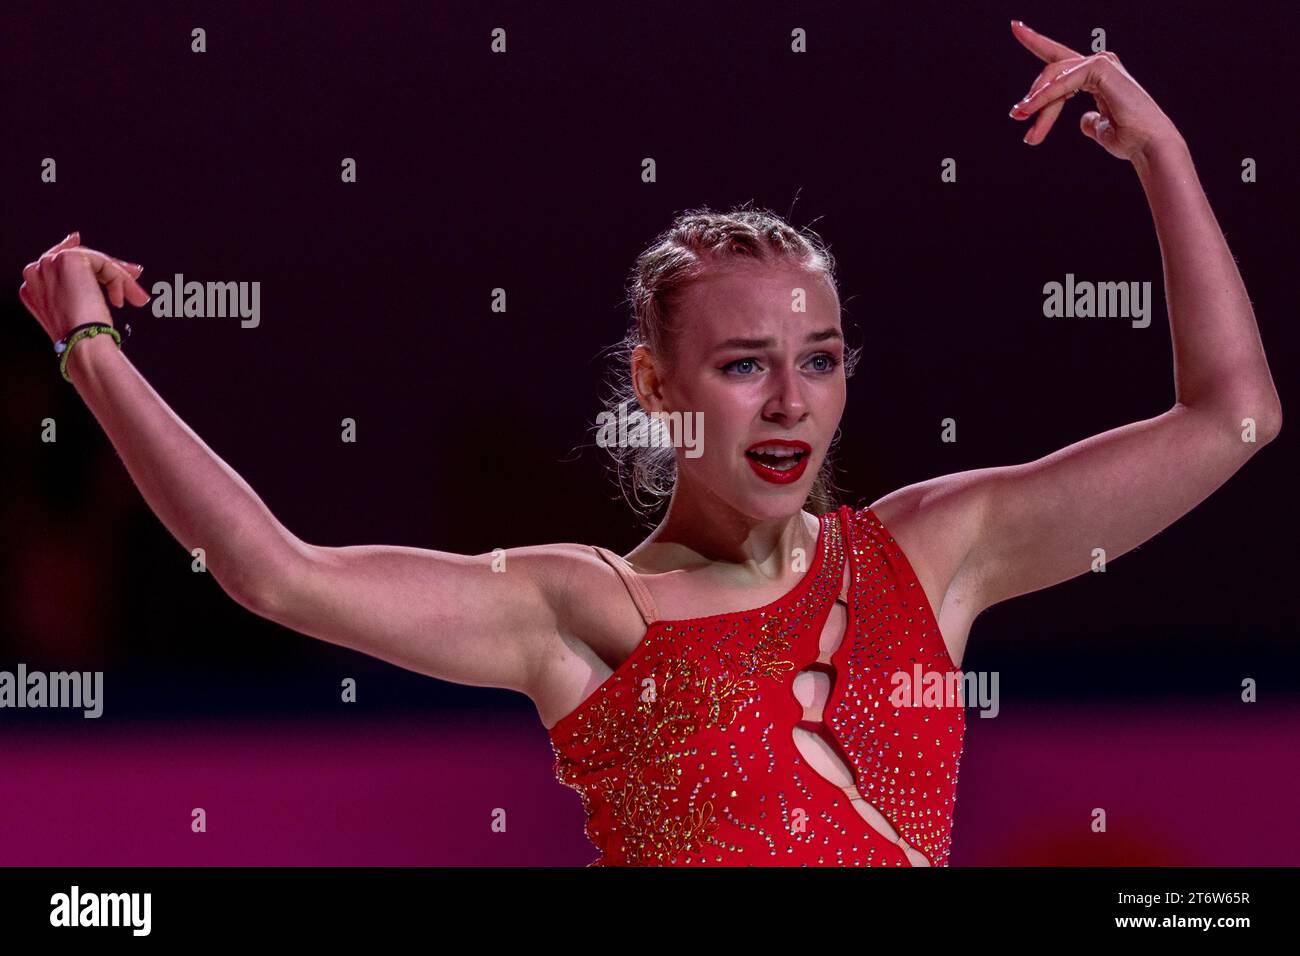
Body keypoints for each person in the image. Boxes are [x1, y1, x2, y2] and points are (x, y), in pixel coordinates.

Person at [17, 22, 1281, 866]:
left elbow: (1234, 417)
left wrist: (1163, 155)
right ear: (654, 381)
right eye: (743, 366)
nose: (789, 400)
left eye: (820, 359)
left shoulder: (932, 552)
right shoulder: (581, 608)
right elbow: (270, 570)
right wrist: (93, 350)